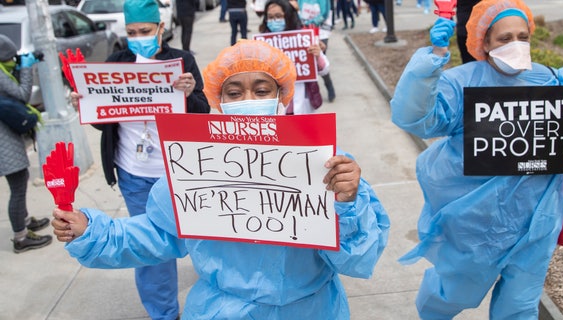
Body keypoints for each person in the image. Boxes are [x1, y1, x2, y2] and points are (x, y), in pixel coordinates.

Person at [52, 39, 390, 319]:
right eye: (234, 93)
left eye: (261, 91)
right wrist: (92, 232)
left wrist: (347, 203)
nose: (248, 102)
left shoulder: (327, 163)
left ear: (281, 97)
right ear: (219, 100)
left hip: (313, 310)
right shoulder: (197, 166)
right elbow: (157, 235)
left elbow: (359, 259)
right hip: (222, 311)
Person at [389, 0, 563, 318]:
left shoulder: (552, 82)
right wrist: (433, 58)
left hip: (537, 218)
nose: (516, 44)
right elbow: (414, 117)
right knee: (452, 295)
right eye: (504, 38)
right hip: (477, 222)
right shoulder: (461, 83)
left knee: (520, 306)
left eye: (523, 36)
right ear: (484, 42)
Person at [69, 0, 210, 319]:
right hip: (135, 175)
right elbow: (104, 120)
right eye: (132, 32)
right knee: (151, 252)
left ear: (161, 29)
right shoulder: (116, 62)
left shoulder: (182, 61)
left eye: (145, 31)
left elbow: (203, 114)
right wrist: (86, 104)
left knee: (203, 240)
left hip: (180, 173)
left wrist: (189, 94)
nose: (138, 37)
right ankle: (164, 313)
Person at [0, 34, 52, 254]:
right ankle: (21, 237)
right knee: (19, 185)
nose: (14, 60)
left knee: (20, 181)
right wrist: (26, 68)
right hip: (3, 141)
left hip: (6, 136)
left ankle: (26, 220)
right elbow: (22, 95)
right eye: (11, 57)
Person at [259, 0, 331, 114]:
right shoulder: (262, 43)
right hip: (275, 106)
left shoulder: (304, 37)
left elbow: (325, 69)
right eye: (270, 17)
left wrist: (317, 56)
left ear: (288, 16)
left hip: (302, 102)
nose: (274, 21)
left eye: (278, 16)